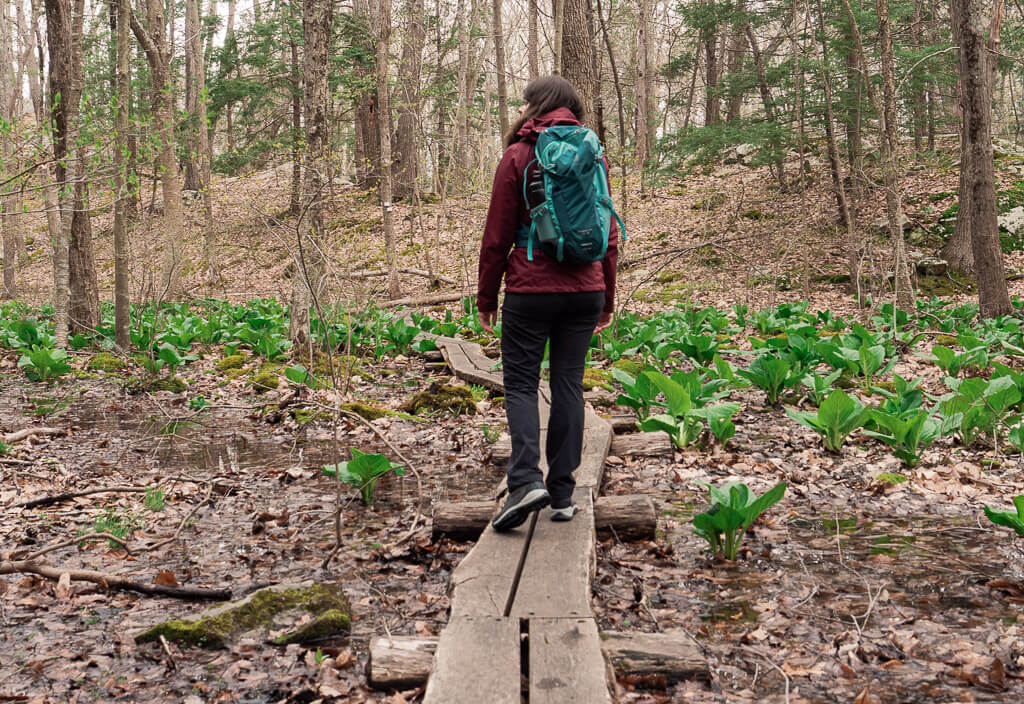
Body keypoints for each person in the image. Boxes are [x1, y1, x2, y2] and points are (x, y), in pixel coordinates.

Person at [477, 76, 619, 532]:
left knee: (520, 385)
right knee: (568, 386)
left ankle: (523, 482)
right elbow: (608, 232)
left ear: (534, 107)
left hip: (530, 290)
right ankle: (561, 493)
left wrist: (486, 295)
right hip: (585, 289)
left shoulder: (518, 155)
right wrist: (607, 297)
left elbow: (497, 236)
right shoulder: (593, 155)